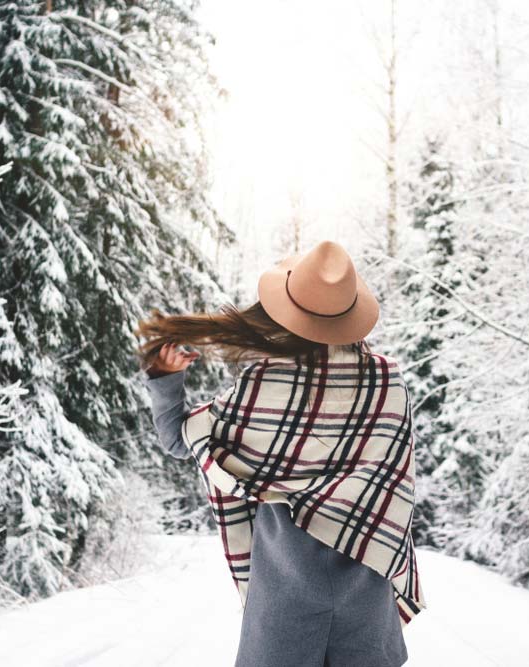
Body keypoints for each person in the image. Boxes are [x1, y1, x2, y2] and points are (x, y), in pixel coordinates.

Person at [135, 240, 425, 667]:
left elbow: (183, 441)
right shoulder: (388, 382)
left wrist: (165, 378)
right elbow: (395, 487)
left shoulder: (264, 382)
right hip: (367, 594)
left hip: (285, 600)